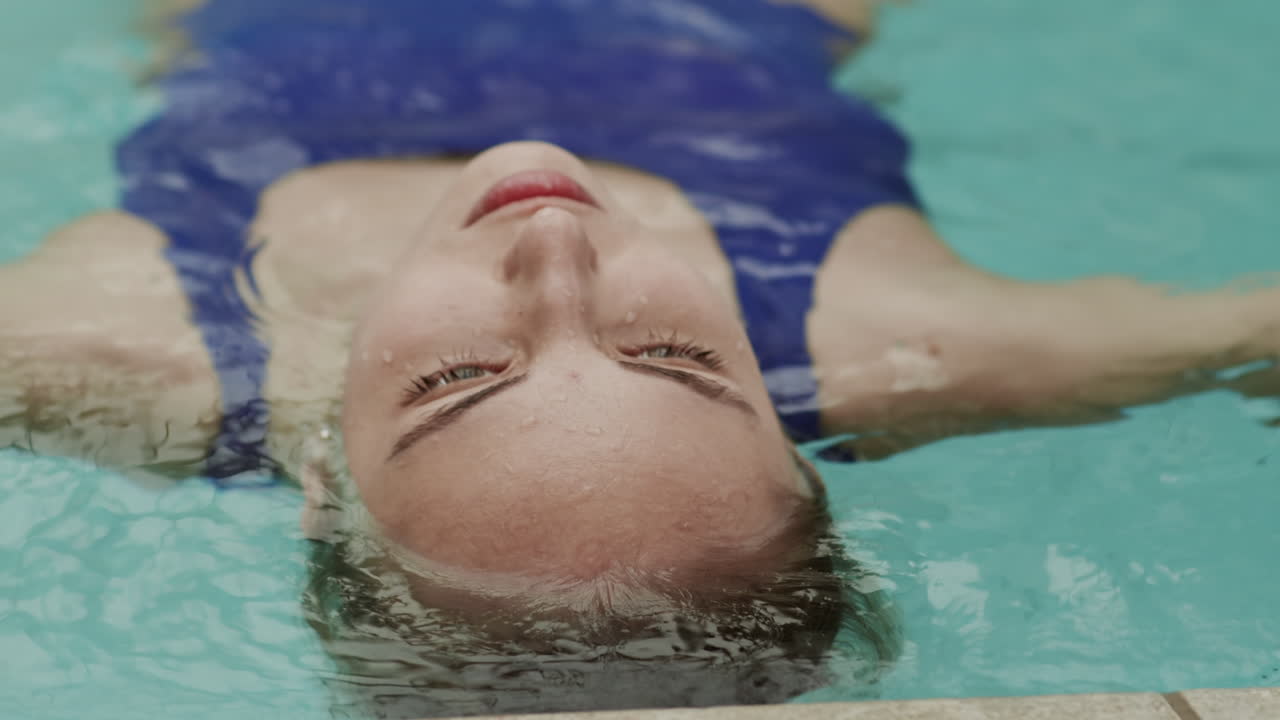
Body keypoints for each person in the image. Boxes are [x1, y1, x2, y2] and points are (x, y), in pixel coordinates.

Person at [2, 0, 1277, 716]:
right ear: (790, 432)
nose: (554, 251)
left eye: (455, 382)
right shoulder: (918, 344)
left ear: (329, 489)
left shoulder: (123, 346)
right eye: (672, 354)